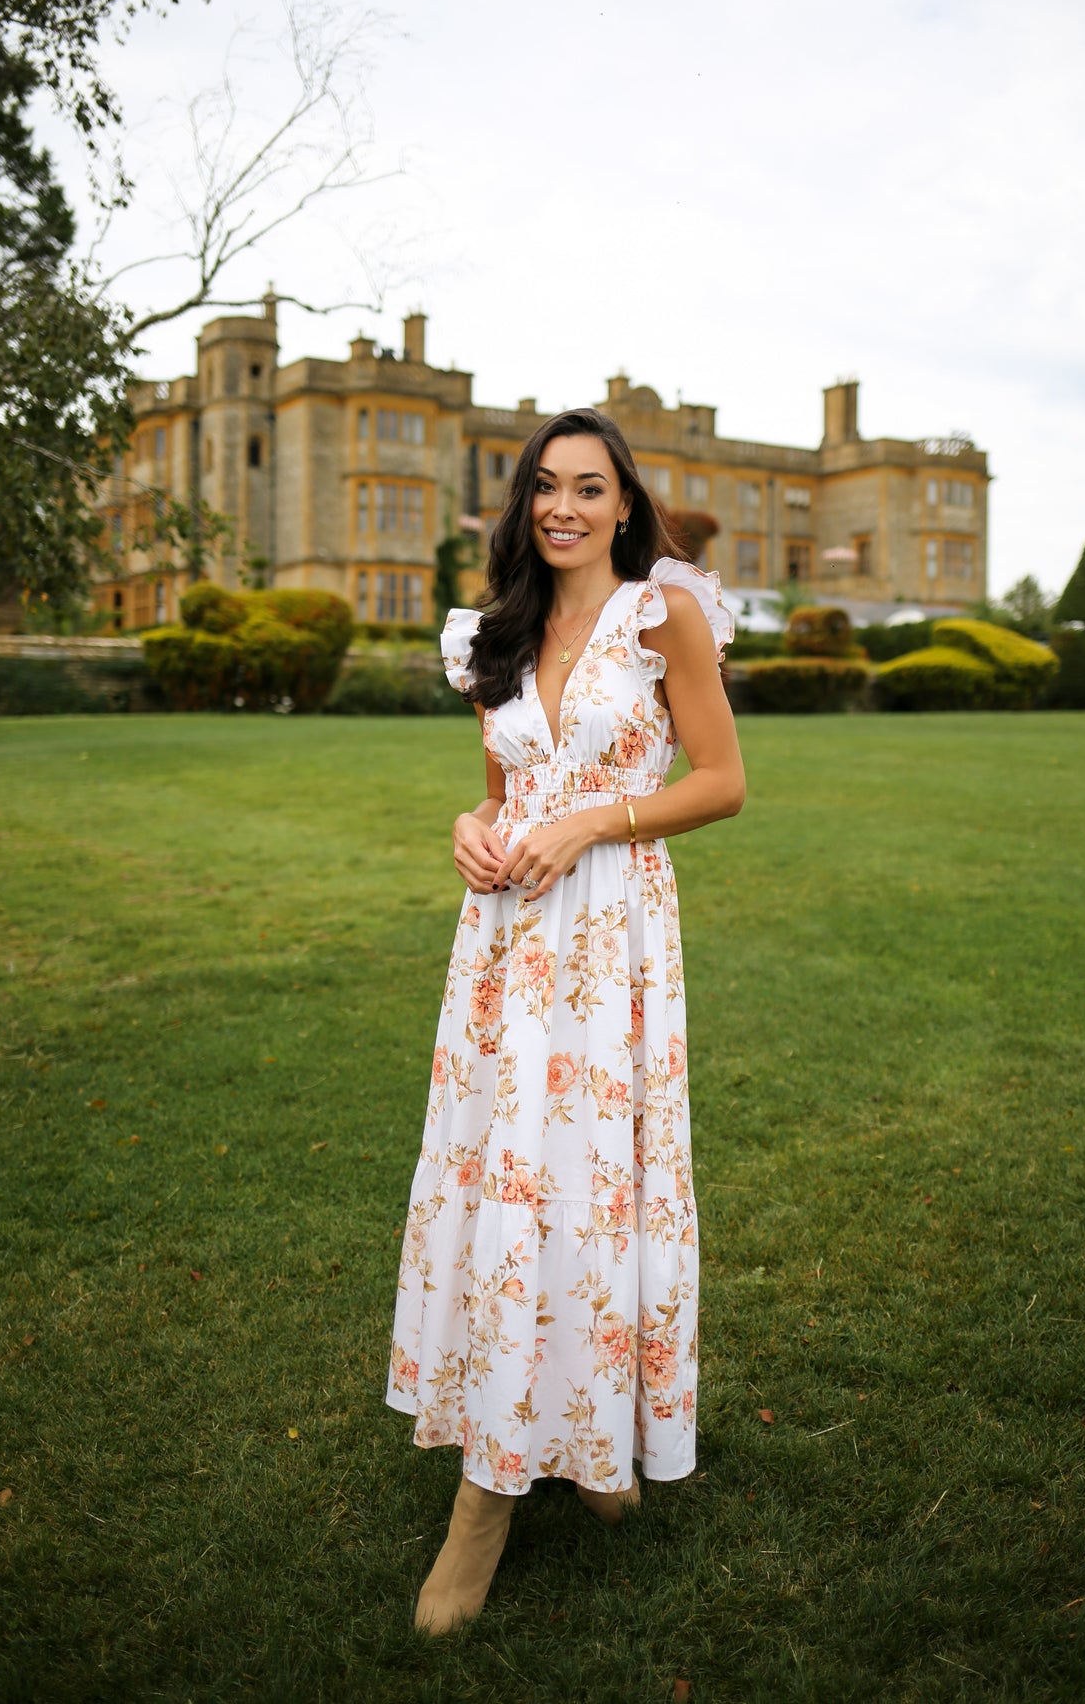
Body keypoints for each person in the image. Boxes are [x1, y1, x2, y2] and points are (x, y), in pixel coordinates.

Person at [386, 406, 746, 1635]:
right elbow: (502, 789)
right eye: (545, 487)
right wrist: (469, 833)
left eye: (590, 489)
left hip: (610, 943)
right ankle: (487, 1491)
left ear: (626, 506)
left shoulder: (664, 617)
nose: (564, 508)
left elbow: (722, 781)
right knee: (503, 1185)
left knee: (590, 1181)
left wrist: (598, 820)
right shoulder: (494, 629)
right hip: (500, 950)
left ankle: (593, 1440)